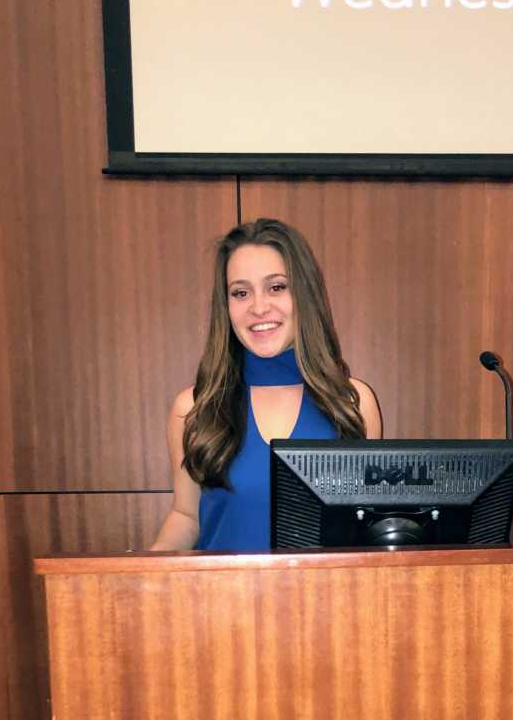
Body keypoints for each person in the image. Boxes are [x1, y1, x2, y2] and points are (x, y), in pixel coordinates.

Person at [150, 219, 382, 551]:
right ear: (226, 306)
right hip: (220, 600)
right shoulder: (193, 408)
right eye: (241, 293)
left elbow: (367, 529)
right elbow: (187, 517)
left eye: (276, 287)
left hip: (325, 602)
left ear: (304, 294)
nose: (259, 307)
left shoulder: (353, 402)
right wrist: (136, 578)